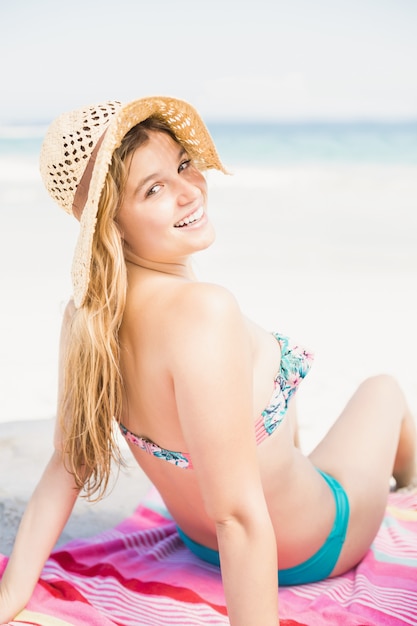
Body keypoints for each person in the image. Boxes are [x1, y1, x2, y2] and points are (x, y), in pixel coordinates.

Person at [0, 96, 415, 626]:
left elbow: (67, 465)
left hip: (201, 545)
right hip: (315, 545)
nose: (189, 189)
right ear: (113, 223)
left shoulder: (87, 319)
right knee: (383, 390)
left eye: (181, 165)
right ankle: (410, 488)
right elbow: (239, 517)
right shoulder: (204, 313)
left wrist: (13, 589)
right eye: (154, 189)